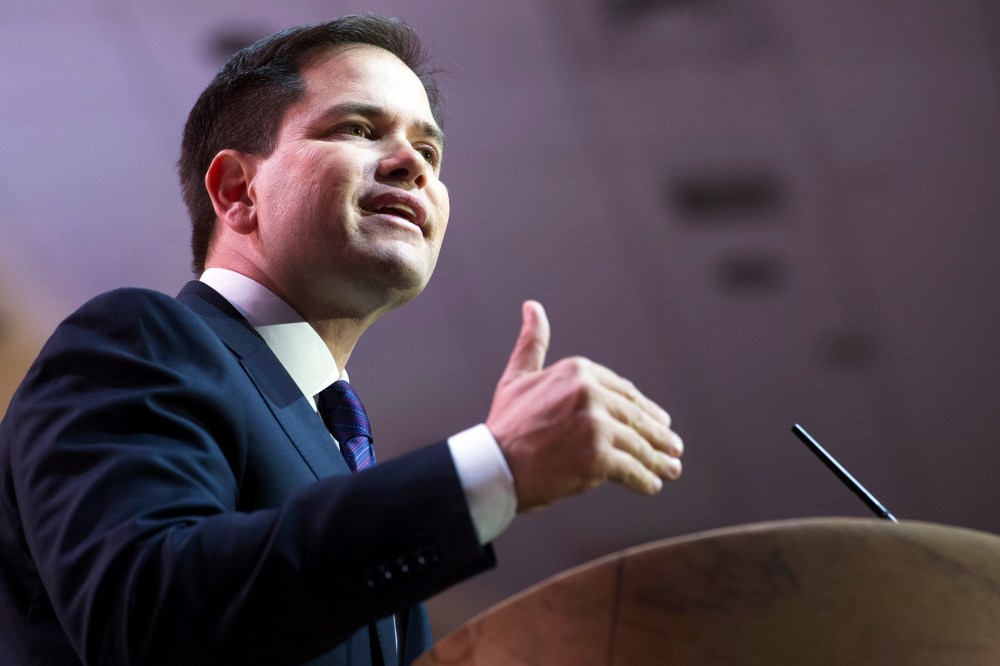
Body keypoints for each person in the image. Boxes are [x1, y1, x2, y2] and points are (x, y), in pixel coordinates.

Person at [0, 14, 683, 666]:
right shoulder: (138, 342)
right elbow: (151, 623)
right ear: (237, 190)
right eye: (358, 128)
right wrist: (492, 468)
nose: (412, 164)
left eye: (429, 150)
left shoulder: (343, 454)